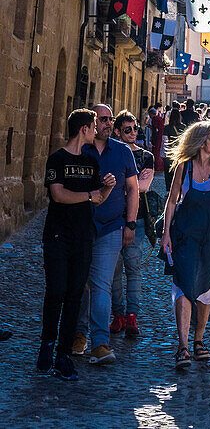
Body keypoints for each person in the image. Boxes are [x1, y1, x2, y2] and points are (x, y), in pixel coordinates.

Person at [37, 109, 115, 380]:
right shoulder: (57, 159)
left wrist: (107, 188)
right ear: (83, 128)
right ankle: (46, 345)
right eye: (94, 125)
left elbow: (97, 199)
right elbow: (58, 195)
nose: (96, 130)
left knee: (74, 296)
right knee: (56, 291)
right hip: (58, 235)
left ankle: (63, 355)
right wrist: (90, 194)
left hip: (83, 237)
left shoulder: (91, 161)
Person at [161, 122, 210, 369]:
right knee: (183, 283)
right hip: (186, 234)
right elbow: (172, 202)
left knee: (207, 286)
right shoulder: (183, 168)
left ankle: (198, 340)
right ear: (203, 142)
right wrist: (166, 235)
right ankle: (183, 346)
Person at [73, 104, 139, 364]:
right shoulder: (81, 149)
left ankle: (100, 343)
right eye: (102, 119)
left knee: (101, 284)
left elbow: (133, 189)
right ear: (92, 123)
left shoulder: (122, 152)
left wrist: (130, 224)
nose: (108, 123)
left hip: (111, 227)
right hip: (81, 226)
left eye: (110, 119)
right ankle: (79, 333)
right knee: (81, 283)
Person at [110, 111, 155, 338]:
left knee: (133, 268)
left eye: (135, 128)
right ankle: (118, 314)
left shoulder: (146, 156)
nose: (133, 133)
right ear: (118, 131)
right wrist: (130, 183)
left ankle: (132, 316)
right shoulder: (111, 153)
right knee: (115, 269)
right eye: (128, 130)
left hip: (135, 219)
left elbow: (143, 187)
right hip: (112, 219)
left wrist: (122, 183)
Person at [163, 102, 185, 191]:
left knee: (169, 173)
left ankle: (169, 190)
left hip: (169, 153)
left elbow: (164, 141)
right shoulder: (183, 127)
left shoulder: (167, 128)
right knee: (180, 172)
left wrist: (163, 154)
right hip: (180, 153)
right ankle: (179, 190)